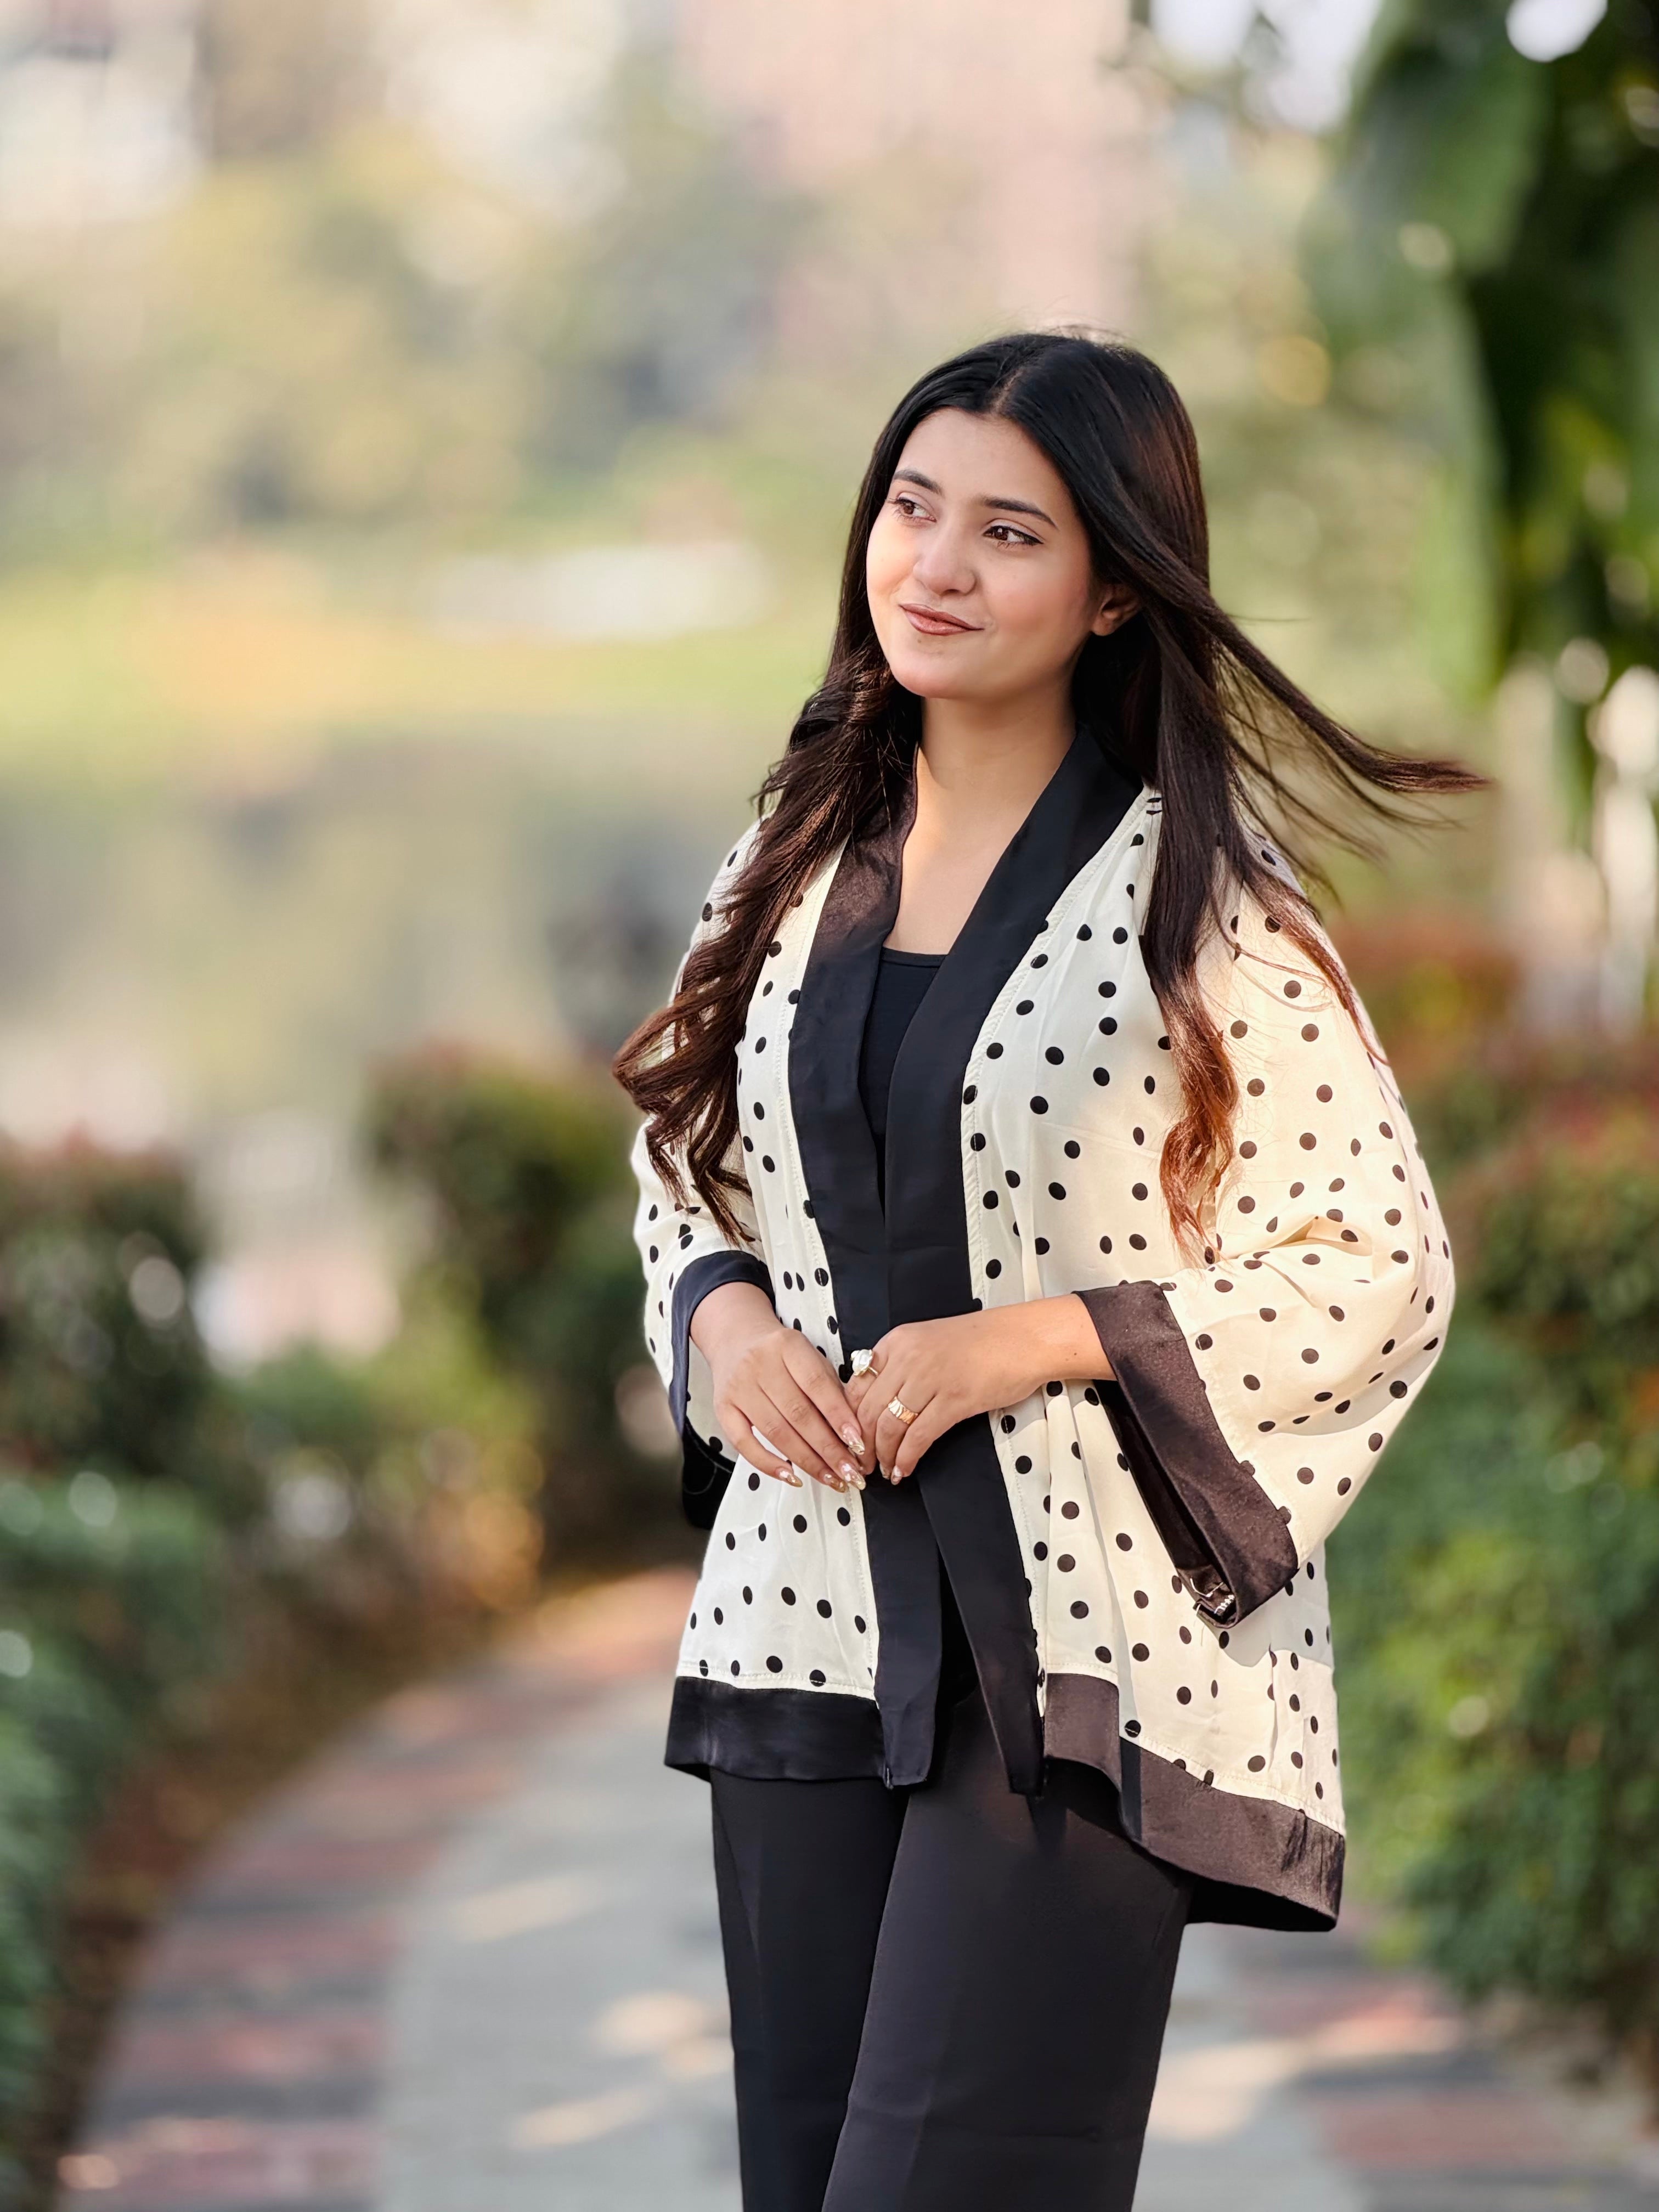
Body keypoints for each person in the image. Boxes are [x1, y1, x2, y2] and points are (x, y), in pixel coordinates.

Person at [611, 331, 1480, 2212]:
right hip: (804, 1636)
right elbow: (688, 1157)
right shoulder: (793, 849)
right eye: (912, 510)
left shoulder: (1207, 904)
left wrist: (1051, 1334)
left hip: (1075, 1673)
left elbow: (1378, 1266)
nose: (935, 564)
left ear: (1110, 594)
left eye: (1009, 532)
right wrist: (721, 1312)